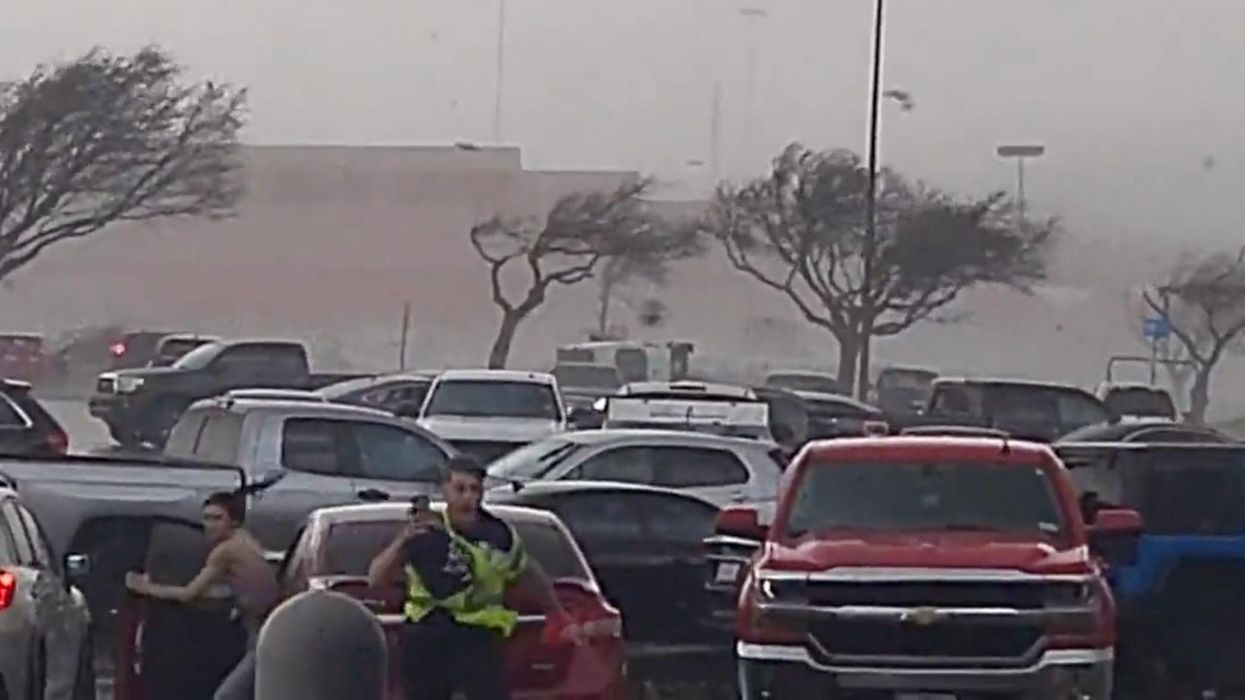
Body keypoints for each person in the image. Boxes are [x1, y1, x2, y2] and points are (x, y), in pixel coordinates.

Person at [368, 456, 578, 700]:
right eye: (460, 489)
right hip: (429, 634)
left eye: (474, 490)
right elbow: (376, 578)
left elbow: (528, 571)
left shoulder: (499, 535)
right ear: (445, 491)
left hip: (479, 637)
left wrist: (559, 614)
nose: (468, 497)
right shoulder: (427, 531)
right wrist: (403, 540)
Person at [125, 491, 280, 700]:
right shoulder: (246, 541)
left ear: (233, 522)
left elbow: (187, 594)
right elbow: (227, 590)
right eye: (206, 518)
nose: (210, 525)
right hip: (266, 626)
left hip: (259, 630)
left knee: (227, 696)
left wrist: (145, 588)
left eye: (217, 518)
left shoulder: (225, 551)